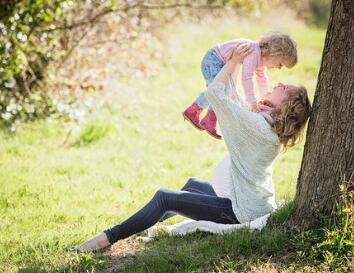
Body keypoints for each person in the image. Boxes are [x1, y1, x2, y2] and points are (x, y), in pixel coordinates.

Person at [74, 43, 310, 252]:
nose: (278, 83)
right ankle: (138, 224)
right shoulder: (267, 125)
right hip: (252, 201)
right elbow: (238, 103)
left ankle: (108, 238)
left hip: (241, 212)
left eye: (285, 88)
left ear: (285, 106)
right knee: (192, 185)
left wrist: (232, 61)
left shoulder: (257, 127)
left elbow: (215, 94)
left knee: (165, 197)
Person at [182, 32, 297, 139]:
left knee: (222, 91)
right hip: (213, 60)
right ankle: (196, 111)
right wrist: (251, 101)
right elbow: (246, 77)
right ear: (275, 54)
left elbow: (262, 78)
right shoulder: (253, 52)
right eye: (281, 64)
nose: (279, 68)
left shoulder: (260, 59)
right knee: (218, 91)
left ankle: (209, 119)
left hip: (219, 62)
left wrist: (265, 96)